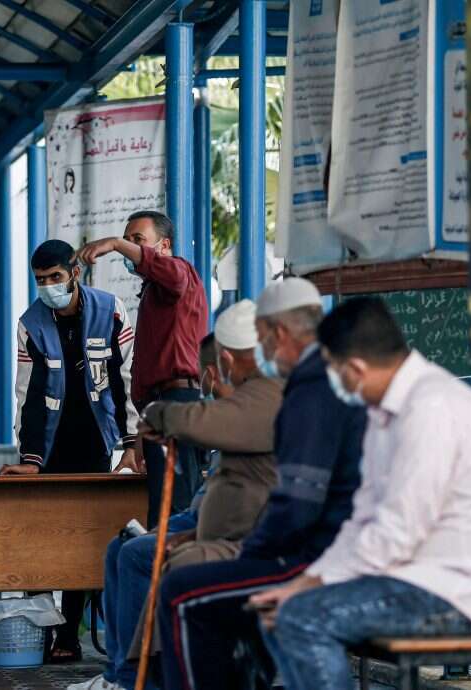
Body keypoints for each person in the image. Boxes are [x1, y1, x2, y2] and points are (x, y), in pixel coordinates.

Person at [251, 297, 471, 690]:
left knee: (303, 618)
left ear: (355, 369)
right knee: (280, 612)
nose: (335, 382)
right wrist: (302, 584)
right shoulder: (385, 413)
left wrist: (311, 589)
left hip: (468, 595)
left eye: (333, 370)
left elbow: (396, 533)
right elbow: (362, 520)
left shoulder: (430, 408)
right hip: (419, 580)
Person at [156, 278, 366, 690]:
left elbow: (299, 503)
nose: (263, 352)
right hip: (314, 544)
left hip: (316, 555)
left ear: (279, 335)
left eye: (264, 341)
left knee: (181, 594)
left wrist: (254, 552)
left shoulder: (309, 391)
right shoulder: (323, 382)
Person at [122, 300, 285, 671]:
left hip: (263, 549)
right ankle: (145, 674)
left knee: (181, 570)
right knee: (170, 556)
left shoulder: (267, 396)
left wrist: (157, 414)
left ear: (226, 361)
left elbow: (195, 418)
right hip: (241, 539)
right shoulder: (257, 395)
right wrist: (198, 533)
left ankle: (162, 674)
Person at [1, 238, 140, 662]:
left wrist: (132, 442)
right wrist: (30, 459)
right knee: (42, 538)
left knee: (82, 537)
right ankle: (44, 628)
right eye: (40, 280)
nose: (48, 287)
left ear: (74, 273)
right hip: (50, 445)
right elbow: (26, 394)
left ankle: (68, 635)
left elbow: (128, 376)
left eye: (55, 277)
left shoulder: (110, 309)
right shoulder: (30, 324)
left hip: (97, 441)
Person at [78, 335, 225, 690]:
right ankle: (116, 673)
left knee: (137, 554)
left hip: (221, 526)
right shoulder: (228, 407)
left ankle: (132, 681)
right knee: (119, 546)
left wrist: (161, 416)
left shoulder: (257, 406)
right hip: (201, 512)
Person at [76, 211, 209, 526]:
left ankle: (171, 571)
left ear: (164, 246)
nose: (130, 248)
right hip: (158, 410)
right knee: (162, 503)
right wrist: (138, 440)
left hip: (176, 403)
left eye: (138, 240)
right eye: (127, 239)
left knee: (172, 508)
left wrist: (114, 244)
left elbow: (172, 275)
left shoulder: (180, 272)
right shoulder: (153, 294)